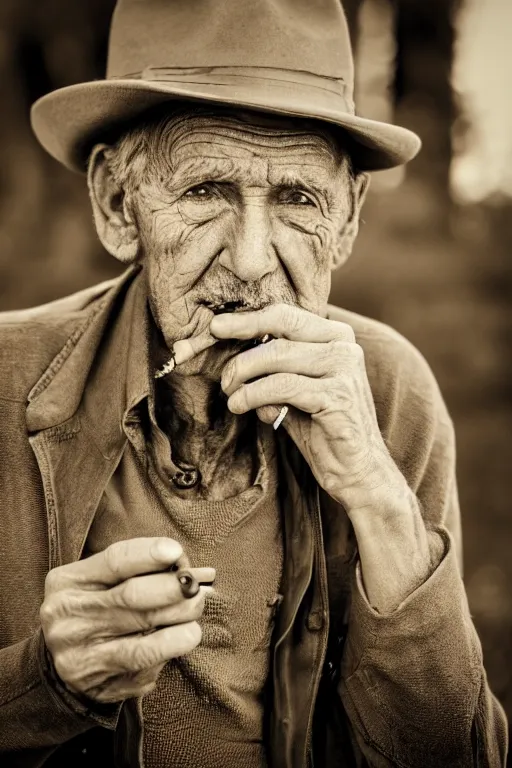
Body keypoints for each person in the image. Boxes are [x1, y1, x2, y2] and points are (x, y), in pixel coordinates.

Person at [0, 0, 507, 766]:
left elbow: (458, 754)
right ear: (116, 203)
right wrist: (45, 679)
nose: (250, 260)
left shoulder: (391, 392)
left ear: (347, 220)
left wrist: (375, 492)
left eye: (299, 200)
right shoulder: (7, 382)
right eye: (206, 191)